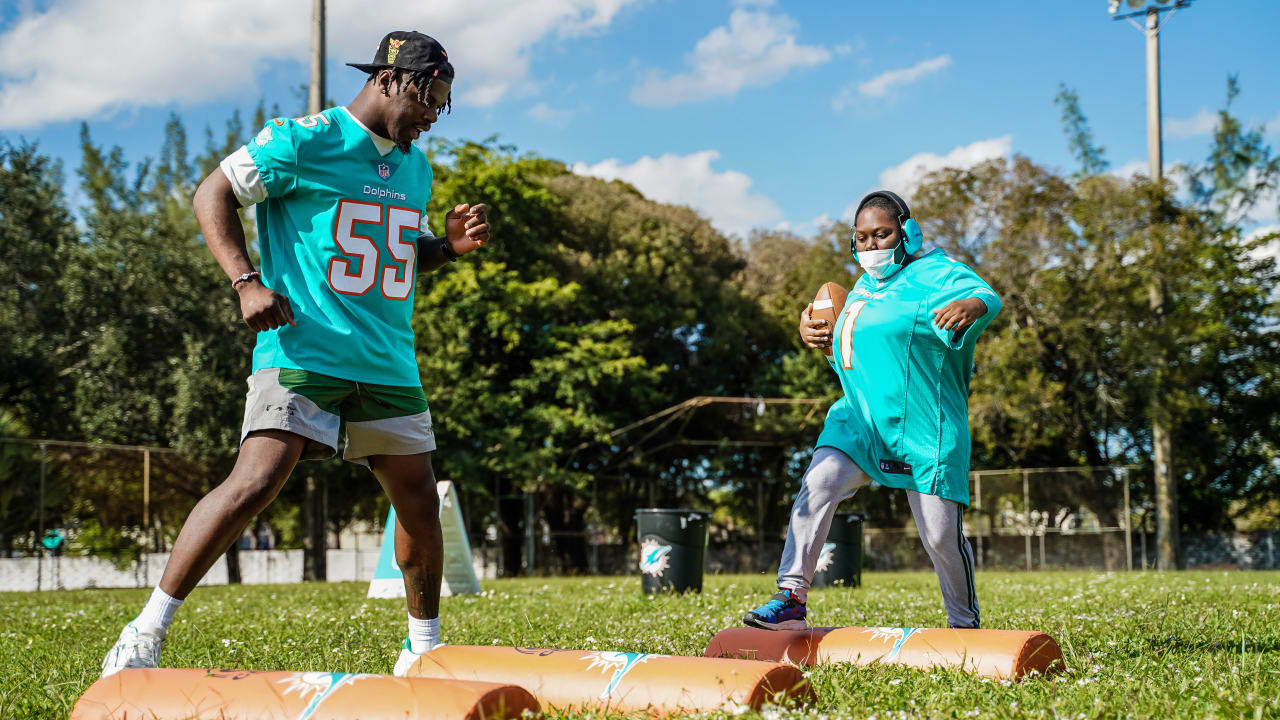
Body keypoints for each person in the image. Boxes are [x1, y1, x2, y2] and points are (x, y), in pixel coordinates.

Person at [101, 31, 490, 678]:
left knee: (419, 502)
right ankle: (144, 633)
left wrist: (443, 247)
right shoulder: (304, 139)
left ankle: (423, 655)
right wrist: (246, 283)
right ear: (390, 79)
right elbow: (212, 193)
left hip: (387, 360)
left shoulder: (414, 166)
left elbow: (387, 252)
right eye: (428, 97)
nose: (431, 115)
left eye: (442, 104)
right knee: (256, 480)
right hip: (304, 348)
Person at [743, 190, 1000, 631]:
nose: (871, 246)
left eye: (881, 234)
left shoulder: (937, 272)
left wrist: (972, 305)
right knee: (818, 483)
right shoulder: (863, 287)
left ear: (908, 232)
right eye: (861, 238)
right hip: (859, 423)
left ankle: (964, 624)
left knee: (940, 537)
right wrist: (812, 330)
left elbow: (987, 297)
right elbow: (847, 346)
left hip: (925, 429)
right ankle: (790, 597)